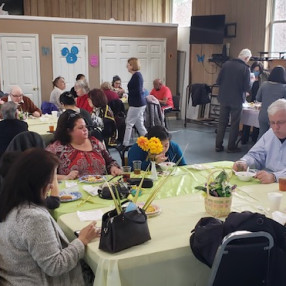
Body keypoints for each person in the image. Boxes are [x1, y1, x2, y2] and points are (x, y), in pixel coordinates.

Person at [0, 148, 99, 285]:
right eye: (50, 179)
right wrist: (82, 240)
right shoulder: (32, 217)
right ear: (36, 182)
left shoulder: (12, 204)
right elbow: (55, 266)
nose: (52, 185)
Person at [46, 111, 122, 178]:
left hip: (99, 188)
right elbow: (44, 174)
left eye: (85, 127)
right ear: (68, 131)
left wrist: (113, 168)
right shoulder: (57, 148)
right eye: (80, 128)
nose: (85, 130)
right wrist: (65, 177)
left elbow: (110, 162)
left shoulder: (94, 143)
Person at [233, 99, 286, 184]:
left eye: (280, 122)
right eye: (272, 122)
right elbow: (256, 155)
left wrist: (275, 177)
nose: (276, 127)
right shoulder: (270, 134)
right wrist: (244, 162)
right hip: (268, 184)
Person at [215, 48, 253, 153]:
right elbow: (247, 87)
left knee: (222, 122)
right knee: (234, 124)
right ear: (246, 58)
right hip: (236, 100)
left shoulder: (226, 64)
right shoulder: (245, 68)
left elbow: (218, 81)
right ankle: (231, 147)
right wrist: (252, 80)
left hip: (223, 98)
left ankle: (218, 145)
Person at [241, 61, 269, 144]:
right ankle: (244, 138)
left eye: (258, 70)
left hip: (259, 101)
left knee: (257, 121)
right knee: (247, 120)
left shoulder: (265, 76)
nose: (256, 72)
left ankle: (255, 138)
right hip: (249, 100)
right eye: (254, 70)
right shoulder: (248, 76)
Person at [122, 57, 147, 146]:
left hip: (136, 104)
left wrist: (125, 92)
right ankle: (148, 141)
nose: (127, 66)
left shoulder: (137, 76)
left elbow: (137, 91)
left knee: (129, 123)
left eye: (128, 65)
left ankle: (125, 144)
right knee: (139, 124)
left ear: (132, 65)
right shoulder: (137, 75)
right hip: (139, 103)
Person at [256, 66, 286, 139]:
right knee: (274, 137)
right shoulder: (284, 87)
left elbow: (258, 98)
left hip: (263, 115)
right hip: (277, 116)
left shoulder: (264, 84)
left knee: (261, 135)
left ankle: (259, 149)